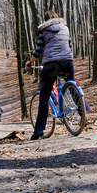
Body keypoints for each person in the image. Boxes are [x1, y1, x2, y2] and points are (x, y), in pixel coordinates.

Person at [25, 10, 74, 140]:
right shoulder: (65, 28)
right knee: (73, 87)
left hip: (51, 64)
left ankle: (39, 130)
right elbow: (70, 46)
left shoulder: (44, 30)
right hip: (67, 62)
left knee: (44, 95)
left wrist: (30, 62)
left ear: (45, 19)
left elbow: (38, 50)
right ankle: (83, 115)